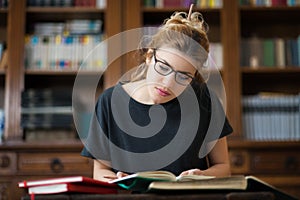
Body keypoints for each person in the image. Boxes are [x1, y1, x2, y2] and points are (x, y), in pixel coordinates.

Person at [81, 7, 233, 182]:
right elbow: (100, 171)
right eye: (163, 67)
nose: (168, 84)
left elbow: (223, 167)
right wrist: (116, 180)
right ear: (149, 56)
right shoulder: (109, 102)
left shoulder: (205, 99)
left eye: (183, 76)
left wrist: (202, 175)